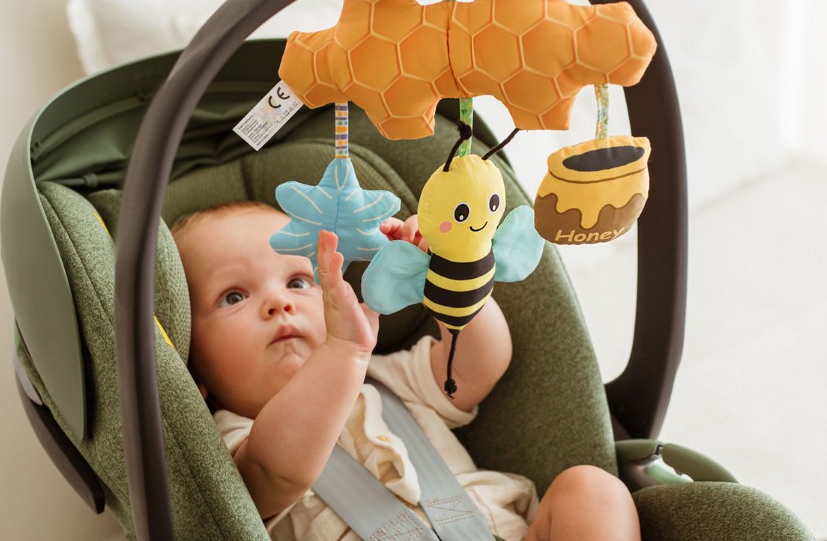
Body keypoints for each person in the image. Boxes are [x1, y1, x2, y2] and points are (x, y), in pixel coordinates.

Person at [172, 201, 641, 541]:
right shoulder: (227, 444)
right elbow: (278, 471)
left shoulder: (386, 379)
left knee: (590, 490)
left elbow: (480, 365)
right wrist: (342, 352)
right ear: (195, 365)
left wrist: (448, 276)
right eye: (234, 296)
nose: (279, 303)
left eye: (298, 281)